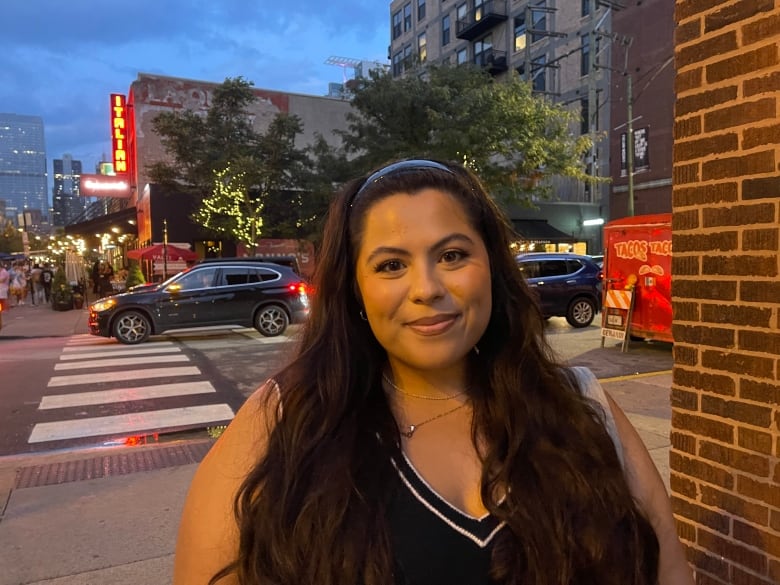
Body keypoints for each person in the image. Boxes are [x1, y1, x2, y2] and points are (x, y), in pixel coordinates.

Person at [174, 160, 694, 585]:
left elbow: (668, 572)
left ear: (491, 267)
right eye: (391, 265)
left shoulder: (583, 409)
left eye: (451, 254)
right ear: (354, 289)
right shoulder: (284, 422)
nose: (427, 288)